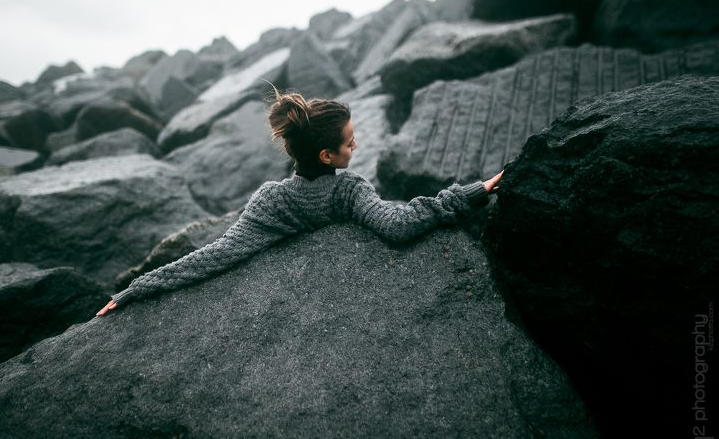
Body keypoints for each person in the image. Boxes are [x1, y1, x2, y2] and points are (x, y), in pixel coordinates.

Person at [96, 88, 503, 317]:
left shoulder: (272, 200)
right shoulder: (350, 190)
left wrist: (136, 287)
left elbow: (215, 254)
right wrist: (474, 191)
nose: (356, 144)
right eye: (349, 140)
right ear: (327, 156)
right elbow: (398, 224)